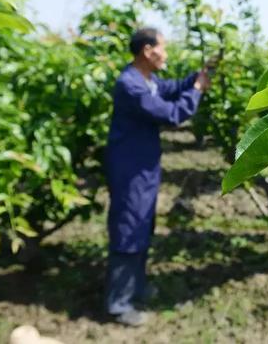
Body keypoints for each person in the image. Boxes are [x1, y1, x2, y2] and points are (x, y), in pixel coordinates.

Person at [104, 27, 212, 326]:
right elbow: (173, 113)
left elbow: (169, 88)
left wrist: (194, 78)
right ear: (148, 51)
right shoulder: (131, 85)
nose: (166, 54)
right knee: (129, 228)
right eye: (163, 48)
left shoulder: (146, 79)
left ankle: (135, 287)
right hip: (130, 168)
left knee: (142, 225)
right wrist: (198, 90)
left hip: (144, 166)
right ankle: (119, 303)